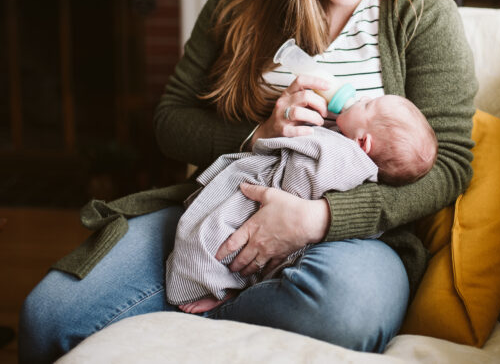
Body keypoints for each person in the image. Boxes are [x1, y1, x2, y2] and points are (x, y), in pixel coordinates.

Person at [18, 0, 478, 362]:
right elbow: (170, 122)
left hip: (354, 241)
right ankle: (203, 301)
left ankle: (185, 324)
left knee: (342, 310)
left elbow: (450, 164)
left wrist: (319, 220)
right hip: (218, 212)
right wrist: (259, 133)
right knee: (49, 317)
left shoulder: (419, 8)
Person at [167, 94, 437, 314]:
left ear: (363, 142)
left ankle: (214, 290)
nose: (360, 98)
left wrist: (312, 213)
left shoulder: (341, 155)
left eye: (367, 105)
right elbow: (169, 118)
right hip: (271, 213)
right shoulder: (347, 145)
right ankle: (228, 292)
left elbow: (300, 177)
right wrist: (258, 132)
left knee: (207, 241)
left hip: (278, 212)